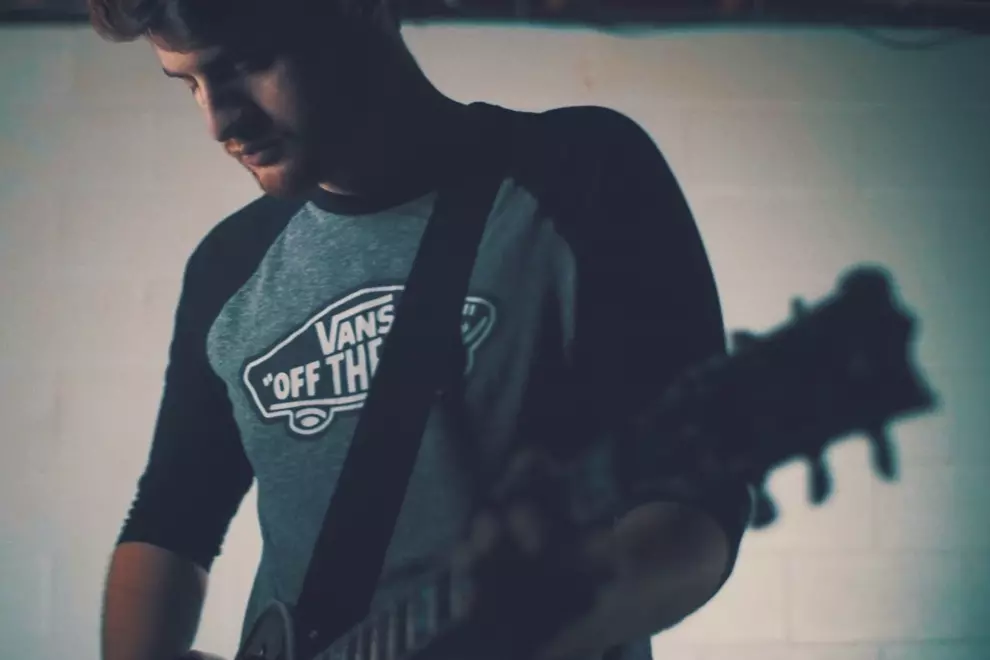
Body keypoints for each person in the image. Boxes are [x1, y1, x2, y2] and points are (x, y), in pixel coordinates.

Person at [87, 1, 754, 660]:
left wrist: (558, 616)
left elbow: (695, 502)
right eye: (190, 84)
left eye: (248, 62)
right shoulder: (228, 264)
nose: (217, 121)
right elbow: (172, 518)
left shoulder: (581, 174)